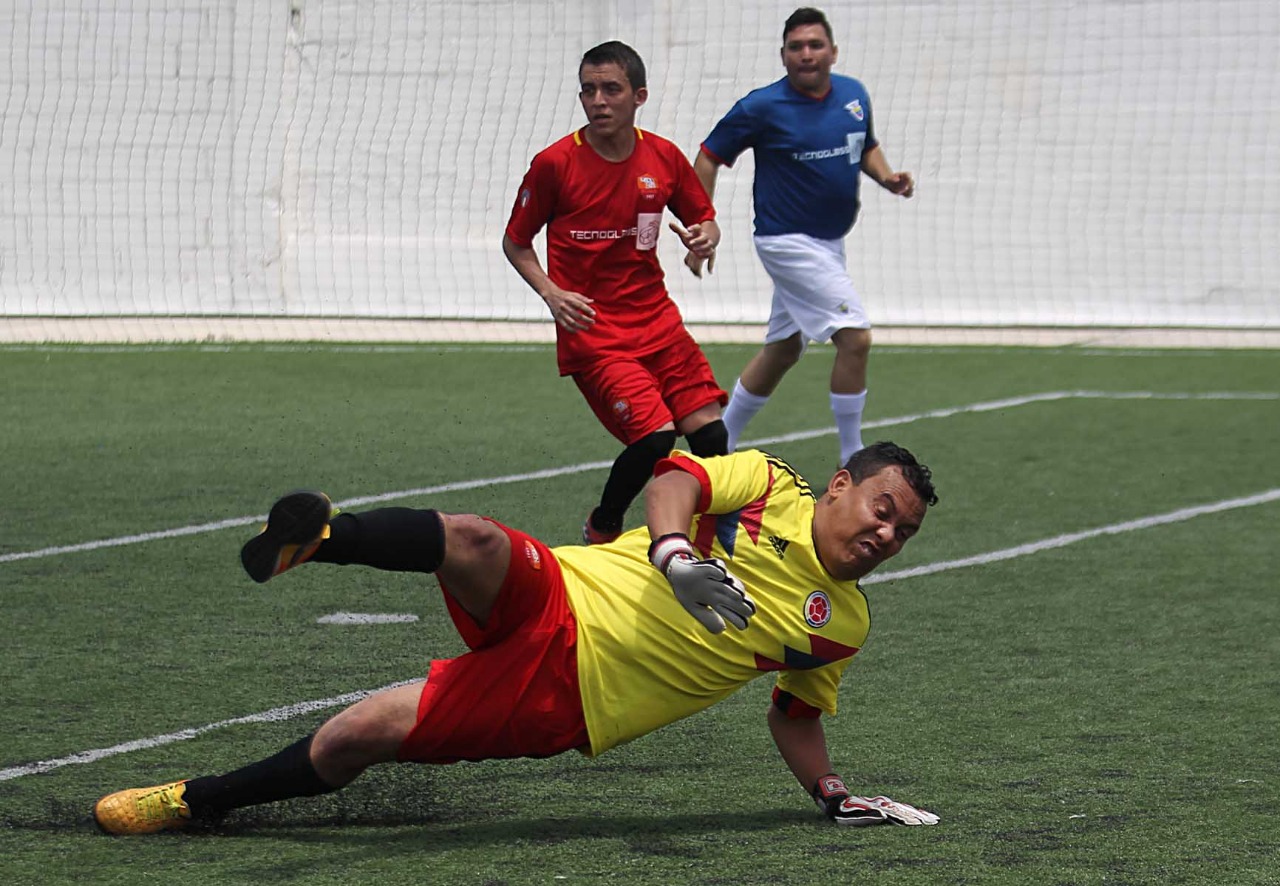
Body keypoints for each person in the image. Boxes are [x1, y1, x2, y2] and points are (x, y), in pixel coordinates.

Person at [93, 441, 941, 835]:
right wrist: (678, 553)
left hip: (568, 697)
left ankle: (191, 801)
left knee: (361, 733)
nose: (886, 536)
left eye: (901, 533)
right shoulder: (765, 484)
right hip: (564, 591)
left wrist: (830, 791)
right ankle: (319, 541)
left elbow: (795, 714)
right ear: (840, 487)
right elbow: (674, 478)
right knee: (476, 538)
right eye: (882, 512)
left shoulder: (841, 629)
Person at [502, 40, 729, 546]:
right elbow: (515, 241)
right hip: (595, 334)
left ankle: (711, 537)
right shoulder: (555, 164)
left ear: (638, 96)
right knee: (655, 437)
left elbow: (704, 218)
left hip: (659, 323)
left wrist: (705, 236)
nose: (598, 100)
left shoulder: (664, 157)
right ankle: (604, 525)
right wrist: (551, 293)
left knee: (711, 436)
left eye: (611, 89)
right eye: (588, 90)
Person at [689, 8, 915, 465]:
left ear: (833, 51)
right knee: (855, 338)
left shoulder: (853, 95)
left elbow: (864, 145)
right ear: (783, 55)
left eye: (815, 45)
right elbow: (709, 156)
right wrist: (704, 219)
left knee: (784, 349)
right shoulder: (761, 107)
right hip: (786, 240)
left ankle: (720, 443)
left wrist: (886, 176)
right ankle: (852, 455)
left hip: (830, 244)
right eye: (796, 47)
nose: (806, 54)